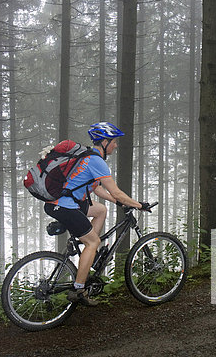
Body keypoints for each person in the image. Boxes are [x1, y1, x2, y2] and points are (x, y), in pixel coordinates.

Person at [44, 122, 151, 306]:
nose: (116, 145)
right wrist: (138, 205)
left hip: (63, 203)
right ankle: (79, 289)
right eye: (114, 142)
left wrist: (117, 202)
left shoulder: (88, 157)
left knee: (101, 210)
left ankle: (88, 251)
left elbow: (98, 190)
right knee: (92, 241)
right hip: (64, 206)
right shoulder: (96, 161)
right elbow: (116, 191)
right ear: (105, 142)